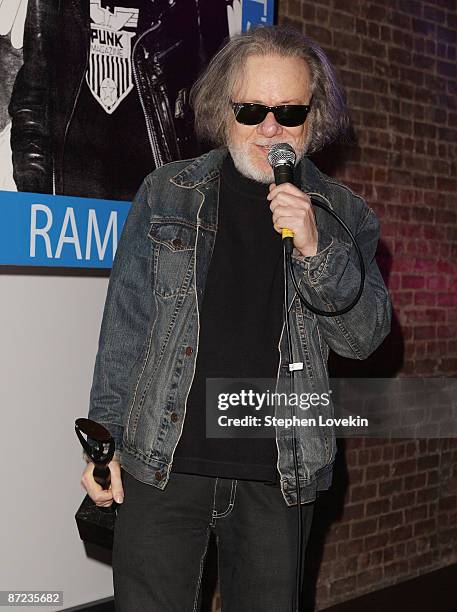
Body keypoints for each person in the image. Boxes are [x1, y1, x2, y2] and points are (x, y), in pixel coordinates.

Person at [81, 25, 391, 612]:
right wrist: (103, 450)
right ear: (223, 109)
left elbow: (364, 338)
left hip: (280, 470)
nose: (270, 128)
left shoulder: (344, 214)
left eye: (289, 111)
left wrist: (315, 248)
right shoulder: (167, 192)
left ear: (313, 117)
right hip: (162, 462)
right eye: (251, 109)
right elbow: (124, 330)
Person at [7, 0, 231, 201]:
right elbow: (32, 103)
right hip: (71, 203)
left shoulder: (184, 6)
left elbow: (204, 113)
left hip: (151, 204)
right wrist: (34, 193)